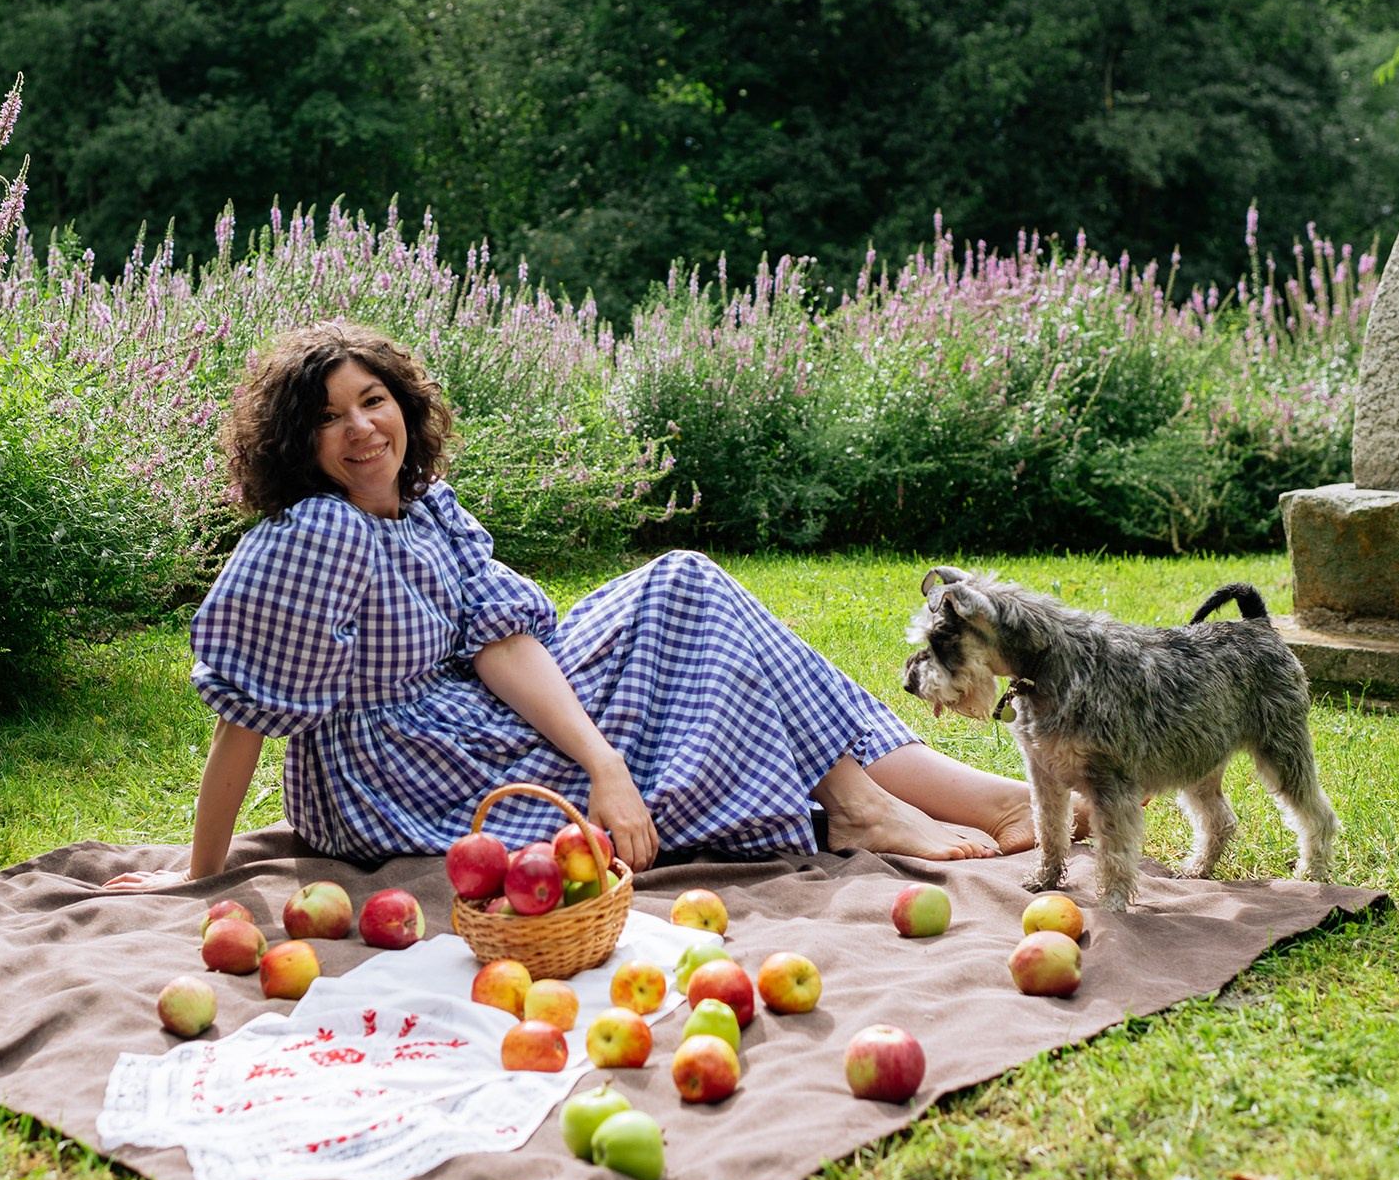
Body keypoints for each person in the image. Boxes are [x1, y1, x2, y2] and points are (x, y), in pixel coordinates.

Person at [104, 322, 1047, 891]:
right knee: (683, 613)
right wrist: (200, 868)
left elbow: (501, 642)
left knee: (684, 584)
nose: (359, 428)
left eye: (374, 399)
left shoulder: (429, 507)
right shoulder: (317, 535)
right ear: (296, 444)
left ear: (403, 405)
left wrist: (601, 762)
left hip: (469, 715)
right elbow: (244, 719)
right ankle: (871, 804)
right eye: (327, 416)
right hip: (401, 774)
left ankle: (946, 801)